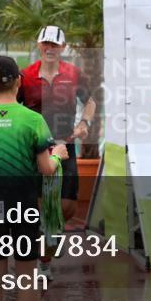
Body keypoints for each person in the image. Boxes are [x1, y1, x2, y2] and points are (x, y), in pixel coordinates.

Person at [0, 55, 69, 301]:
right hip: (25, 206)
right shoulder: (33, 120)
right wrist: (58, 157)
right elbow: (46, 169)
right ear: (19, 82)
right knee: (27, 275)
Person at [18, 25, 96, 227]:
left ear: (63, 47)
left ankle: (51, 231)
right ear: (39, 45)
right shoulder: (25, 76)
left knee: (67, 206)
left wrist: (84, 122)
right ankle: (44, 243)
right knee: (36, 205)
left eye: (55, 44)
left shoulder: (74, 74)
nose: (50, 48)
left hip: (65, 144)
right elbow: (11, 104)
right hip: (34, 148)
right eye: (46, 43)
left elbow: (90, 102)